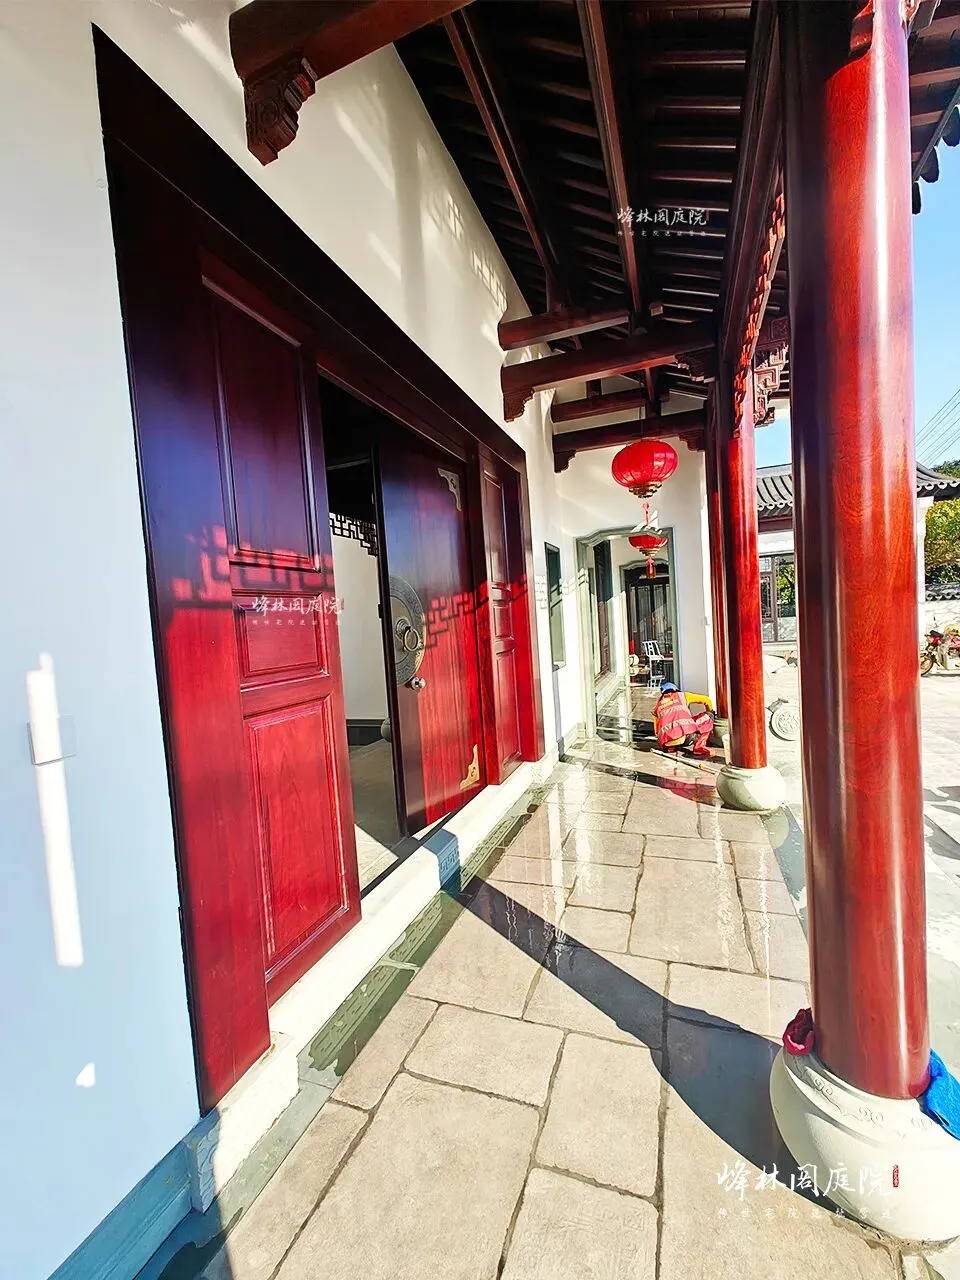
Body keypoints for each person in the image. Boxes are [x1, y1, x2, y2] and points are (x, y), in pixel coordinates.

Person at [652, 682, 715, 757]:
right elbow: (707, 700)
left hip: (665, 743)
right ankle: (699, 747)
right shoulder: (683, 696)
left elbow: (656, 732)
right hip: (686, 737)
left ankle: (671, 748)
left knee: (679, 726)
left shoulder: (658, 705)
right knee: (709, 716)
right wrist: (710, 711)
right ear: (676, 690)